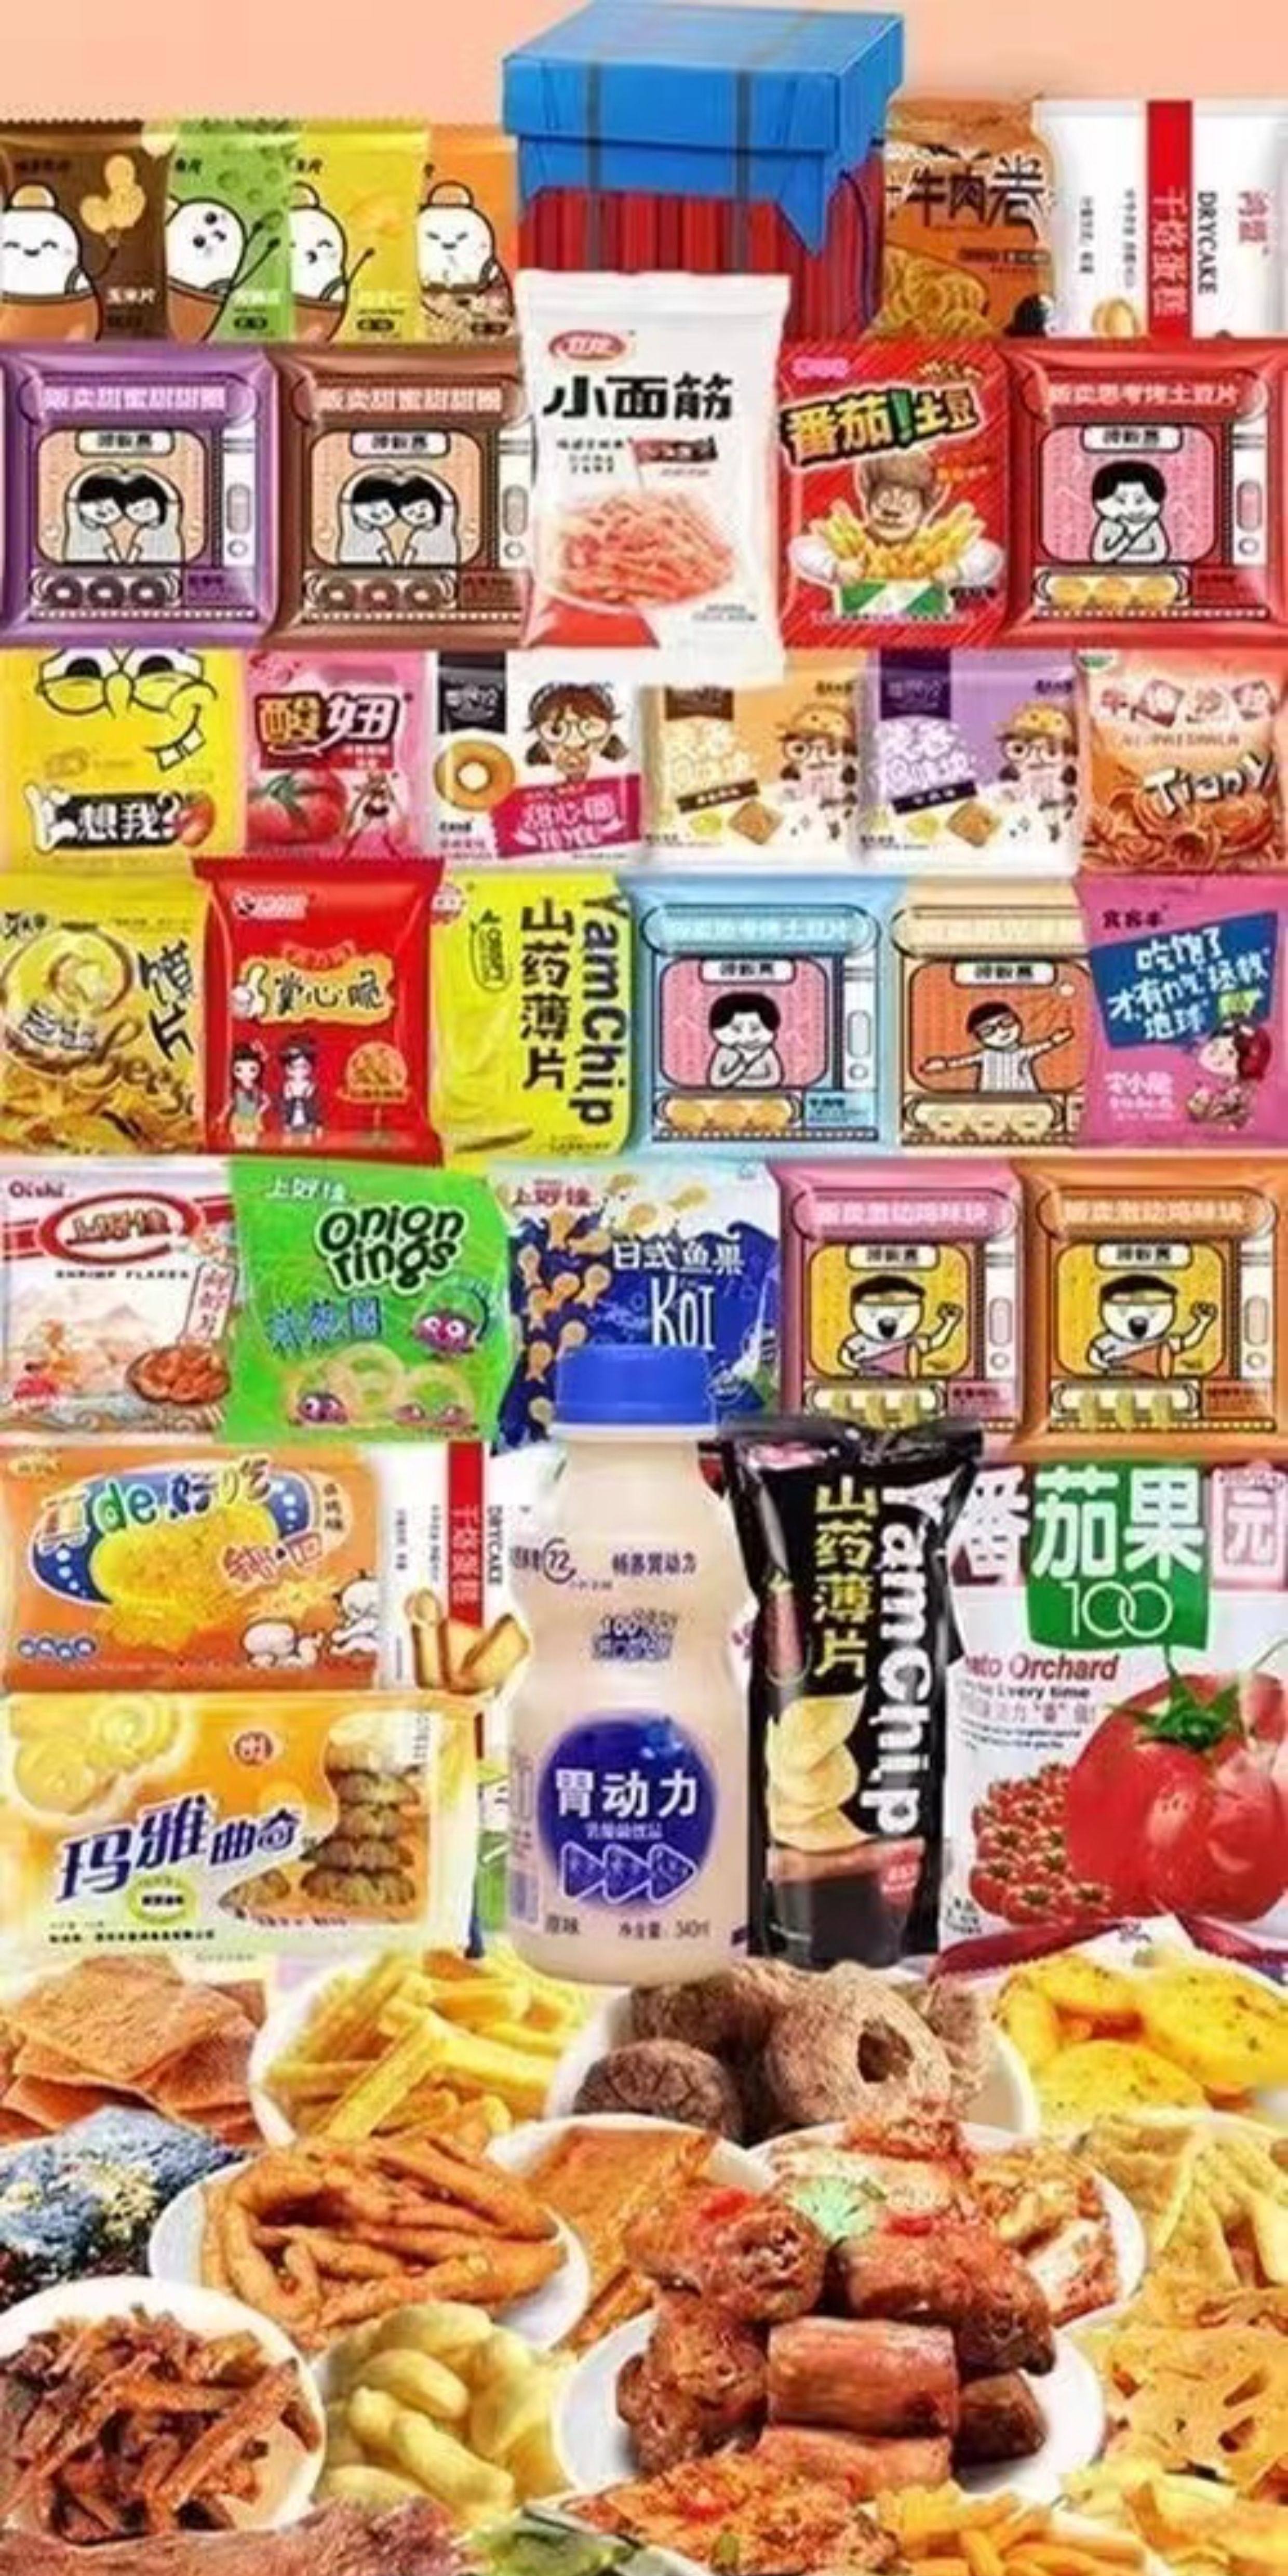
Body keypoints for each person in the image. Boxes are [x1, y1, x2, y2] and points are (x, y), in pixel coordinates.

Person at [922, 1001, 1071, 1096]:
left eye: (1006, 1023)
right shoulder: (985, 1055)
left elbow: (1042, 1047)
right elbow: (962, 1062)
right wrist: (944, 1065)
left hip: (1026, 1100)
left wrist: (1055, 1040)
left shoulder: (1023, 1052)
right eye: (988, 1031)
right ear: (979, 1038)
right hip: (991, 1101)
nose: (1001, 1032)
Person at [1086, 1275, 1216, 1379]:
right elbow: (1093, 1355)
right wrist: (1107, 1366)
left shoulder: (1163, 1341)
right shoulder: (1109, 1340)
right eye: (1123, 1311)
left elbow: (1188, 1341)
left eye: (1153, 1313)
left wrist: (1203, 1323)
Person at [839, 1274, 962, 1380]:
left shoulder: (911, 1342)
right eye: (873, 1313)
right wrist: (856, 1366)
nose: (888, 1322)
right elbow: (845, 1355)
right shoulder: (861, 1340)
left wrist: (949, 1323)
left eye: (901, 1314)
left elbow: (935, 1342)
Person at [1089, 459, 1169, 565]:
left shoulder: (1152, 524)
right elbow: (1098, 556)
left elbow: (1160, 554)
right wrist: (1128, 537)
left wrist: (1123, 558)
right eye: (1121, 501)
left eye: (1140, 501)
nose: (1131, 508)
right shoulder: (1107, 524)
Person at [707, 991, 784, 1090]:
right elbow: (715, 1082)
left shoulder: (766, 1052)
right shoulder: (724, 1052)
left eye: (755, 1029)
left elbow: (775, 1079)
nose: (747, 1037)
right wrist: (743, 1065)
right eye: (736, 1029)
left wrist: (737, 1082)